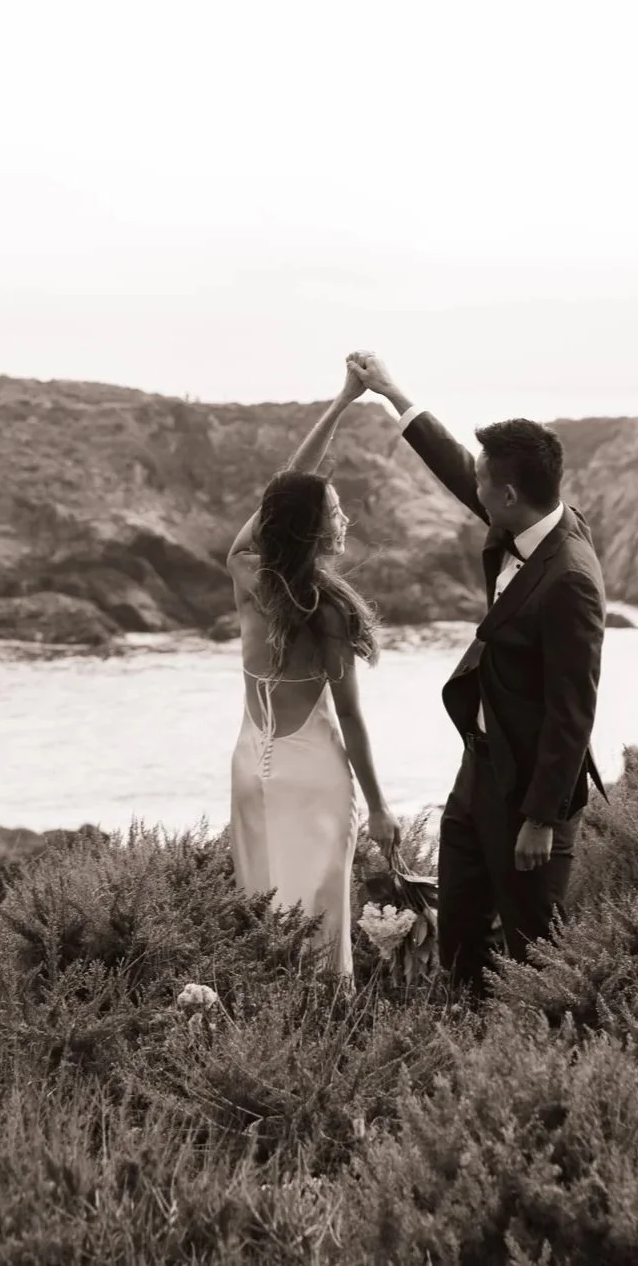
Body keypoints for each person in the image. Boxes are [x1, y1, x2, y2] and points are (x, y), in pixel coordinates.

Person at [346, 349, 606, 991]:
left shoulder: (569, 579)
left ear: (509, 495)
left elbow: (574, 708)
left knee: (535, 952)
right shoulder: (529, 520)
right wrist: (391, 393)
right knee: (459, 938)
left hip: (531, 791)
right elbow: (462, 471)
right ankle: (463, 1051)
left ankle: (550, 1069)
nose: (475, 490)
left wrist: (541, 818)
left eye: (487, 485)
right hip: (478, 770)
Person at [224, 366, 399, 978]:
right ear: (315, 529)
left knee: (263, 918)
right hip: (315, 774)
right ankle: (326, 1037)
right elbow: (349, 717)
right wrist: (379, 810)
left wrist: (342, 401)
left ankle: (268, 1032)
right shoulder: (325, 610)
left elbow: (282, 497)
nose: (343, 514)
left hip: (253, 765)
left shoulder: (247, 575)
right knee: (322, 928)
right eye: (334, 507)